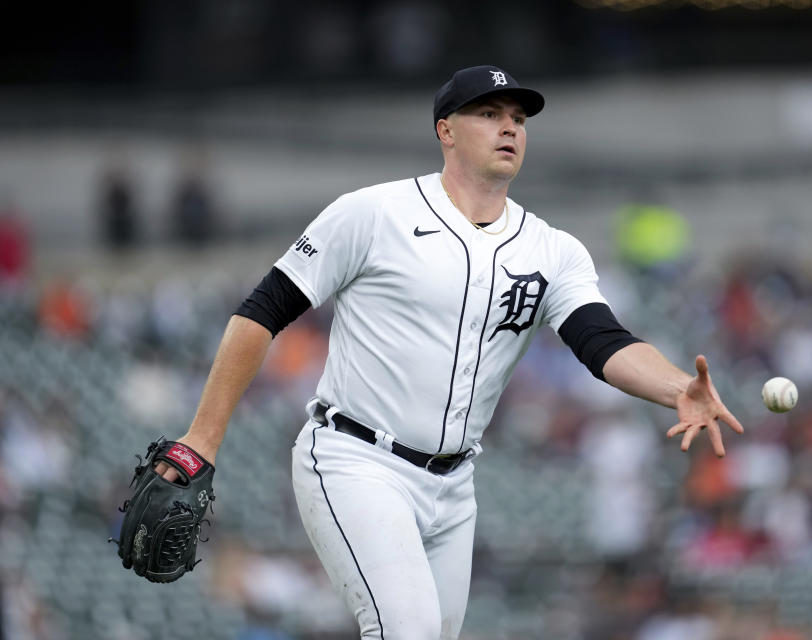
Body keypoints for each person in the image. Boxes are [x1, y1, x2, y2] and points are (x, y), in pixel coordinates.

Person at [155, 65, 744, 639]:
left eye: (517, 118)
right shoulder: (373, 213)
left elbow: (602, 341)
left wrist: (675, 388)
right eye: (488, 114)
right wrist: (202, 437)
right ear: (446, 130)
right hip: (356, 460)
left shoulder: (552, 249)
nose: (509, 127)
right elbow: (261, 312)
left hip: (454, 485)